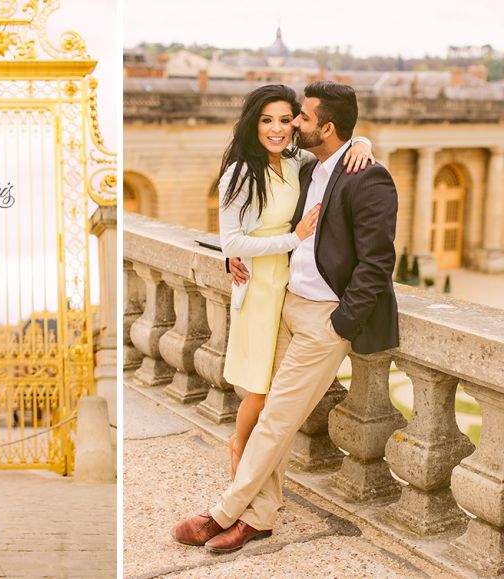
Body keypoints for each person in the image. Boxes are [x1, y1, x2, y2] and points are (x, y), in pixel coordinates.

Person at [173, 80, 399, 553]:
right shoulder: (306, 164)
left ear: (327, 127)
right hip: (284, 303)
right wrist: (235, 257)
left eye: (302, 117)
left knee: (275, 420)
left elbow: (378, 262)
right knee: (267, 419)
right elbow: (255, 225)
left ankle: (222, 513)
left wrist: (342, 321)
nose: (294, 123)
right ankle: (259, 518)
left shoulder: (368, 175)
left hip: (324, 318)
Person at [216, 84, 373, 479]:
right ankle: (239, 450)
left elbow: (335, 147)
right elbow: (231, 239)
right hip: (259, 287)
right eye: (267, 120)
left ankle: (253, 467)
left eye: (287, 120)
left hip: (287, 285)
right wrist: (294, 238)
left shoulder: (294, 160)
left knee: (275, 386)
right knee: (261, 387)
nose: (278, 129)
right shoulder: (239, 172)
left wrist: (363, 142)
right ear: (253, 124)